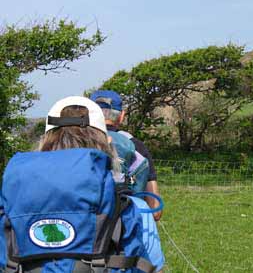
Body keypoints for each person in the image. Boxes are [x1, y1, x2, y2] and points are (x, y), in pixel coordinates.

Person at [0, 96, 163, 272]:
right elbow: (150, 267)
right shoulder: (133, 208)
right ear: (108, 144)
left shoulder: (10, 202)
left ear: (43, 143)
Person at [91, 90, 163, 221]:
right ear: (122, 116)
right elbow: (155, 209)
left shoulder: (76, 143)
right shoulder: (135, 146)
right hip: (125, 228)